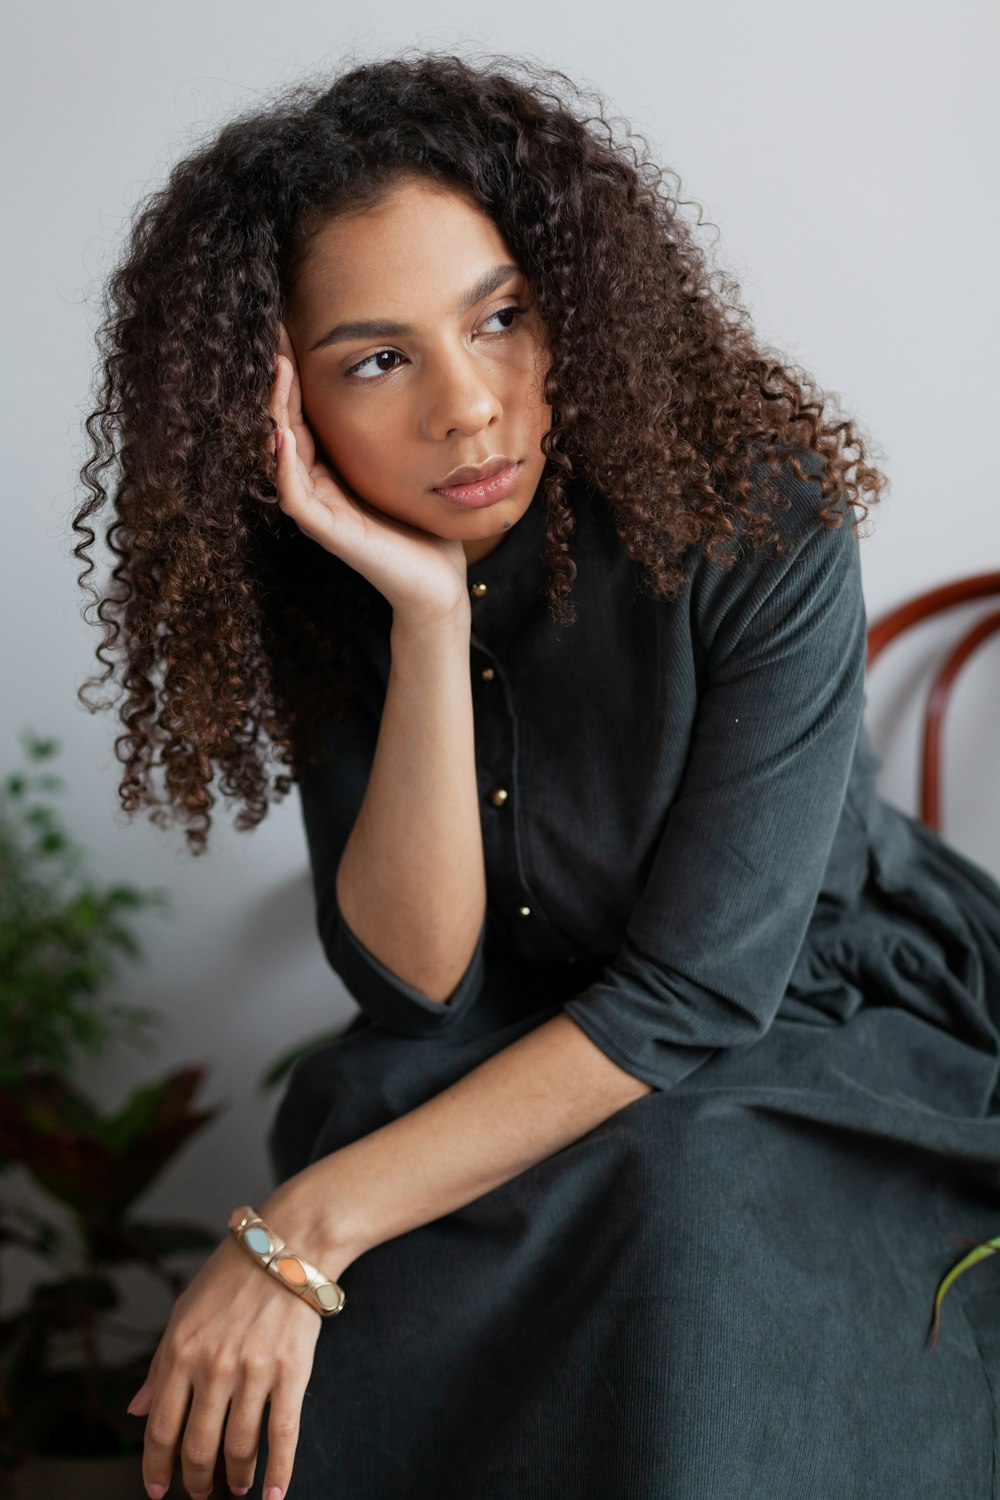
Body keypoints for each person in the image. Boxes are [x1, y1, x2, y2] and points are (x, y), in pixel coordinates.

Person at [73, 49, 1000, 1500]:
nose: (468, 407)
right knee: (363, 1112)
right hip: (529, 1012)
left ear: (573, 292)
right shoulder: (330, 570)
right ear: (281, 404)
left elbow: (698, 994)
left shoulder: (756, 511)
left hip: (804, 999)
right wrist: (427, 620)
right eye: (377, 359)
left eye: (500, 316)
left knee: (678, 1189)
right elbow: (419, 988)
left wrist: (303, 1229)